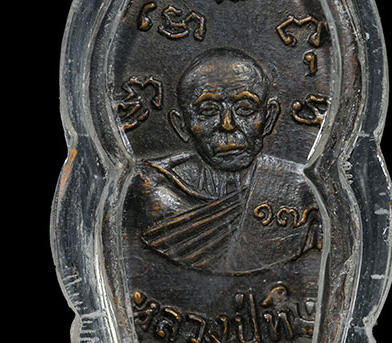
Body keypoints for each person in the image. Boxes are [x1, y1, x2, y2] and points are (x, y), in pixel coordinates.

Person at [127, 48, 322, 274]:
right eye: (208, 111)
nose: (227, 125)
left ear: (268, 119)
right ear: (181, 126)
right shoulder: (151, 190)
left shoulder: (300, 193)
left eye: (245, 109)